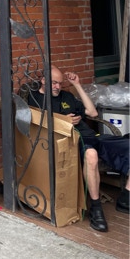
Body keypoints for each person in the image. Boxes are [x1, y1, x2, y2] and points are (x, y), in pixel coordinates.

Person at [27, 66, 129, 232]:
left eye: (60, 83)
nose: (57, 87)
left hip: (93, 136)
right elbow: (38, 123)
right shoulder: (35, 98)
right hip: (73, 141)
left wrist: (77, 85)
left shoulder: (67, 96)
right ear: (43, 80)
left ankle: (125, 199)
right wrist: (63, 120)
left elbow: (93, 113)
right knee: (91, 154)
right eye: (54, 83)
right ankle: (96, 208)